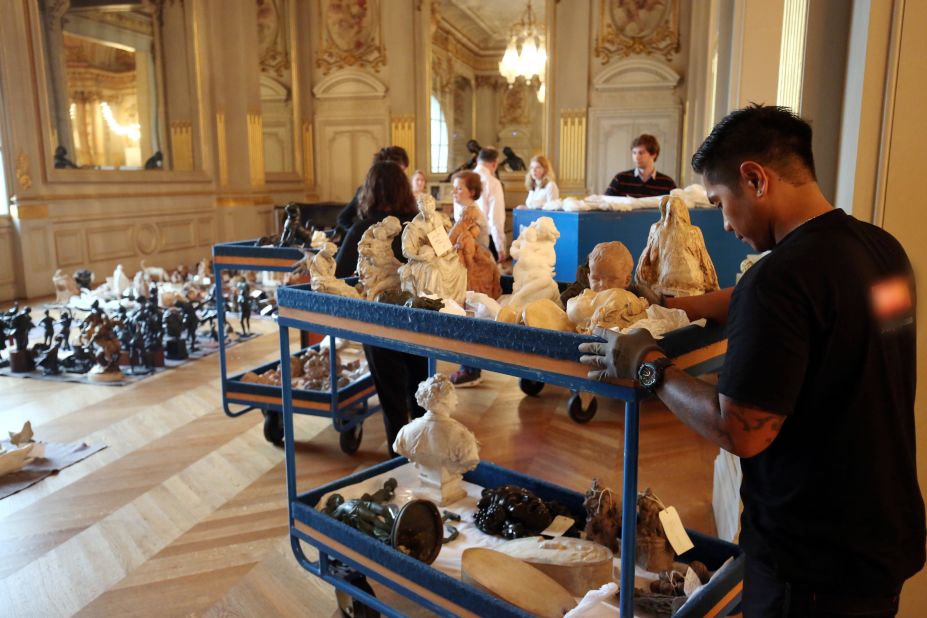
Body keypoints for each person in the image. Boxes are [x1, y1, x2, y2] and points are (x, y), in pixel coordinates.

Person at [579, 105, 925, 616]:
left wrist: (650, 364)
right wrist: (677, 306)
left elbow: (740, 429)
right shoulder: (880, 250)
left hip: (811, 559)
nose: (723, 221)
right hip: (882, 529)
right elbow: (824, 315)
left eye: (719, 202)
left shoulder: (779, 280)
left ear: (755, 179)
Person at [335, 161, 429, 456]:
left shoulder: (364, 228)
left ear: (370, 191)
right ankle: (423, 450)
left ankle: (397, 458)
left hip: (378, 322)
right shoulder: (419, 225)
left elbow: (340, 274)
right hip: (420, 319)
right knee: (421, 390)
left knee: (391, 399)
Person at [335, 146, 410, 237]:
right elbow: (343, 218)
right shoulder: (364, 192)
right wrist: (359, 235)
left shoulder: (405, 193)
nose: (404, 175)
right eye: (400, 171)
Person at [603, 134, 676, 198]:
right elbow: (605, 204)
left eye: (641, 153)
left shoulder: (667, 183)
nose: (636, 157)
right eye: (634, 153)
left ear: (653, 154)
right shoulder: (620, 179)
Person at [472, 147, 508, 263]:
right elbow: (495, 218)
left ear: (478, 160)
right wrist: (500, 246)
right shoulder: (493, 183)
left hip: (466, 238)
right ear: (495, 163)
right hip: (486, 239)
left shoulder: (463, 180)